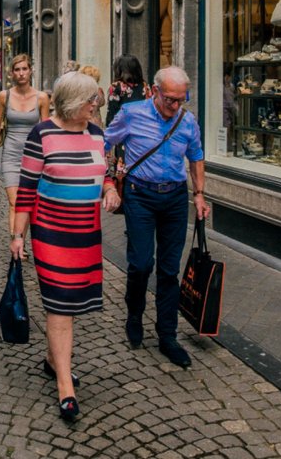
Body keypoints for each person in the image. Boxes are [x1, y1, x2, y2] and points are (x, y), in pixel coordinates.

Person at [10, 72, 120, 422]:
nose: (95, 106)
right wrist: (17, 236)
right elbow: (26, 188)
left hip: (86, 235)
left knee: (70, 305)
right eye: (91, 101)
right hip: (52, 234)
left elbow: (105, 173)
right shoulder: (41, 134)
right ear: (73, 102)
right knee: (59, 306)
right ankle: (65, 386)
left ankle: (51, 359)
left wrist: (111, 189)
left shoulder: (98, 134)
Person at [104, 65, 211, 369]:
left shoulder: (187, 121)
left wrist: (200, 195)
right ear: (154, 91)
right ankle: (134, 313)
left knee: (168, 269)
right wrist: (107, 182)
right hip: (140, 194)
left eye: (181, 99)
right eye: (170, 100)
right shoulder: (131, 113)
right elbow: (105, 143)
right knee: (140, 264)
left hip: (175, 198)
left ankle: (168, 335)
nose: (175, 106)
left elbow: (196, 156)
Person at [0, 54, 50, 237]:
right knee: (15, 202)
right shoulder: (4, 96)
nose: (21, 73)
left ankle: (19, 240)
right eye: (17, 70)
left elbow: (46, 131)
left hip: (33, 156)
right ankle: (17, 243)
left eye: (24, 69)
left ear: (30, 71)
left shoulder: (42, 98)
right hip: (11, 155)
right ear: (12, 73)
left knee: (27, 204)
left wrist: (49, 159)